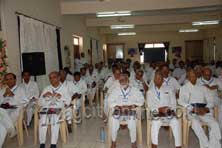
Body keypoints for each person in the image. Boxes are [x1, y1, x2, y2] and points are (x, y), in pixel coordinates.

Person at [178, 69, 221, 148]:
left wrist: (206, 108)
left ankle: (213, 145)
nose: (193, 78)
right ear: (188, 77)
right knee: (195, 123)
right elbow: (180, 101)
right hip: (192, 111)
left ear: (197, 77)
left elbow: (210, 100)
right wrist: (192, 108)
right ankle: (206, 145)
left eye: (194, 76)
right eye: (190, 76)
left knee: (214, 124)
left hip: (203, 110)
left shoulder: (203, 87)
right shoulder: (184, 88)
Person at [107, 73, 144, 148]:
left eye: (124, 79)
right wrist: (118, 106)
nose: (122, 81)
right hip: (119, 110)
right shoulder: (116, 90)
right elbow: (109, 100)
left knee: (132, 120)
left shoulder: (134, 90)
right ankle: (113, 141)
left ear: (128, 80)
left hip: (130, 110)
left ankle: (133, 142)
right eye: (120, 80)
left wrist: (131, 106)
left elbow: (142, 100)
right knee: (114, 119)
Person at [147, 70, 181, 148]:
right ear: (154, 80)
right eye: (156, 78)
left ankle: (178, 145)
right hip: (156, 112)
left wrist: (171, 110)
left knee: (175, 122)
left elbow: (173, 102)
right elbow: (150, 105)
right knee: (155, 123)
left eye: (160, 78)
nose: (157, 80)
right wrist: (159, 109)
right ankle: (154, 145)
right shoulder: (150, 92)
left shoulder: (169, 89)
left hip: (168, 112)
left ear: (162, 80)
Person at [38, 71, 71, 148]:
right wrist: (44, 96)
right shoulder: (47, 88)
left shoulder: (64, 88)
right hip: (47, 108)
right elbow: (39, 103)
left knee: (55, 119)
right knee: (43, 119)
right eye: (50, 78)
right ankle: (42, 143)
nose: (52, 79)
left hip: (58, 109)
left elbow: (69, 101)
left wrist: (61, 97)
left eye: (54, 77)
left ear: (59, 78)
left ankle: (53, 144)